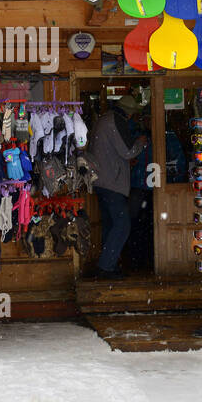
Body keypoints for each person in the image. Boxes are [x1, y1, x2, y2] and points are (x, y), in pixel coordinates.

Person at [90, 95, 148, 279]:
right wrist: (141, 142)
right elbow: (128, 151)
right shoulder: (117, 121)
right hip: (111, 182)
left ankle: (108, 265)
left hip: (102, 180)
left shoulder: (106, 119)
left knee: (111, 225)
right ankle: (106, 266)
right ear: (130, 113)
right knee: (122, 224)